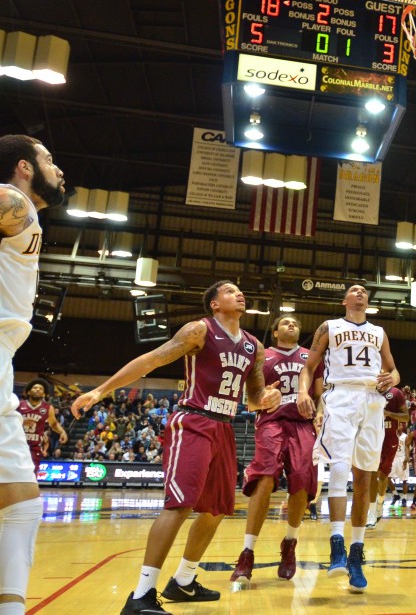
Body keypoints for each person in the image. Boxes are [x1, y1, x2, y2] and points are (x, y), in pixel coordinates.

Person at [72, 281, 281, 615]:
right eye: (229, 291)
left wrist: (266, 399)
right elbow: (151, 361)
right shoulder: (199, 330)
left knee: (215, 510)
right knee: (180, 505)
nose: (239, 293)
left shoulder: (254, 346)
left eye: (241, 290)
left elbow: (254, 399)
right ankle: (140, 595)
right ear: (214, 304)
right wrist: (100, 391)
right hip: (193, 421)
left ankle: (183, 581)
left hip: (224, 427)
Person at [296, 284, 399, 594]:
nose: (359, 292)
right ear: (345, 300)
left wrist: (389, 379)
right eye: (354, 290)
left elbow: (394, 372)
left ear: (367, 301)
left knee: (365, 478)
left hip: (372, 401)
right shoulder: (330, 326)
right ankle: (336, 544)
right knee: (339, 468)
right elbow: (309, 366)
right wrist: (303, 391)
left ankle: (356, 553)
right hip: (341, 396)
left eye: (364, 291)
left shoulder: (379, 332)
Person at [0, 135, 65, 615]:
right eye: (47, 159)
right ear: (23, 167)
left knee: (20, 504)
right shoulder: (14, 199)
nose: (57, 168)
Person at [231, 315, 323, 586]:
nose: (291, 325)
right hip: (271, 422)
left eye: (295, 322)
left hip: (303, 425)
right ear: (275, 332)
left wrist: (320, 414)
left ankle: (290, 543)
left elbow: (320, 395)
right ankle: (247, 552)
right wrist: (262, 400)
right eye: (285, 322)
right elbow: (249, 402)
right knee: (266, 477)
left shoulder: (311, 356)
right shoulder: (262, 355)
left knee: (302, 482)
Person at [367, 384, 409, 528]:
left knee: (384, 474)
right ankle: (371, 512)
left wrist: (388, 414)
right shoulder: (369, 391)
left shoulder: (396, 393)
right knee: (373, 472)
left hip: (390, 439)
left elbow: (406, 417)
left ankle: (380, 502)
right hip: (372, 436)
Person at [17, 377, 68, 475]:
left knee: (31, 475)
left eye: (41, 389)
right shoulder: (19, 405)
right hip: (18, 445)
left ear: (44, 394)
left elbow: (53, 423)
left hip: (34, 447)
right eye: (35, 388)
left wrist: (62, 432)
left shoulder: (48, 408)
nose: (37, 390)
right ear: (28, 392)